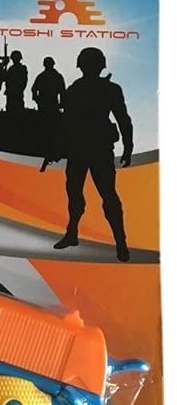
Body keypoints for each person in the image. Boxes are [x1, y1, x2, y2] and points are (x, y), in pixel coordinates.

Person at [53, 47, 133, 261]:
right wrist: (128, 146)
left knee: (106, 196)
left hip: (95, 149)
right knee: (77, 195)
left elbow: (122, 119)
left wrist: (128, 146)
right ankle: (73, 234)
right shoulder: (81, 89)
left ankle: (121, 242)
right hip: (83, 149)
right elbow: (66, 123)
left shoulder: (91, 89)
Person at [3, 50, 28, 114]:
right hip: (11, 92)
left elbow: (24, 81)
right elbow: (5, 78)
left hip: (17, 92)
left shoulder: (22, 68)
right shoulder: (11, 69)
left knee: (17, 109)